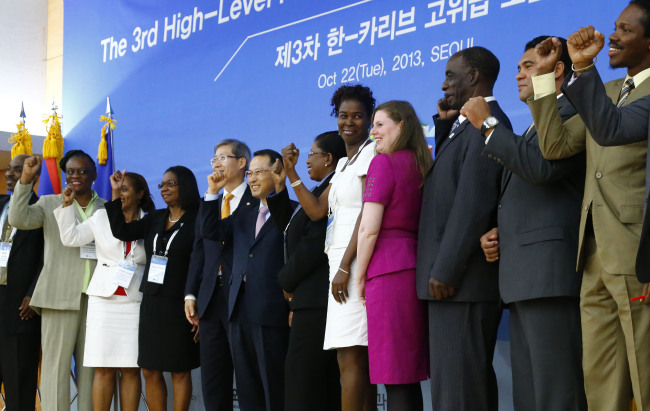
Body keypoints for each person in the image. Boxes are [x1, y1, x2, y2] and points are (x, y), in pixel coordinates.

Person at [528, 3, 650, 407]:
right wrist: (546, 78)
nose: (611, 36)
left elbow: (611, 128)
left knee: (645, 370)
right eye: (614, 26)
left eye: (625, 31)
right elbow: (556, 145)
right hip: (594, 250)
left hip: (636, 250)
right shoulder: (610, 91)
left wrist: (581, 70)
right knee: (600, 374)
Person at [460, 36, 587, 411]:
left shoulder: (574, 110)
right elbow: (530, 191)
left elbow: (541, 168)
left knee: (557, 392)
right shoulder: (534, 124)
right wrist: (499, 230)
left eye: (528, 66)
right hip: (524, 277)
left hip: (551, 276)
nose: (518, 76)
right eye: (517, 68)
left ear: (557, 69)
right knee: (531, 396)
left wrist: (488, 126)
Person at [416, 46, 511, 411]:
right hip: (453, 285)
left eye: (451, 76)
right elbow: (450, 183)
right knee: (460, 388)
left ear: (474, 76)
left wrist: (445, 269)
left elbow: (472, 203)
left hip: (459, 284)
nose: (443, 84)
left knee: (459, 393)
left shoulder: (489, 124)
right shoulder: (466, 125)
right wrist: (444, 127)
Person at [281, 84, 377, 411]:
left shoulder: (371, 155)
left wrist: (347, 266)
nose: (348, 122)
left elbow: (368, 214)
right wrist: (292, 172)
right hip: (338, 271)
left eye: (358, 116)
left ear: (369, 119)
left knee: (353, 358)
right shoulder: (342, 166)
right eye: (343, 115)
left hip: (354, 268)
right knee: (349, 360)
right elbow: (319, 211)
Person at [9, 151, 104, 411]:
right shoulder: (49, 202)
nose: (76, 176)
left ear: (94, 174)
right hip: (58, 297)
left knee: (91, 370)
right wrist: (26, 180)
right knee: (55, 369)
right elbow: (18, 219)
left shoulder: (107, 207)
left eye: (82, 171)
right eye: (71, 171)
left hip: (97, 299)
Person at [201, 149, 293, 411]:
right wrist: (212, 193)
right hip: (237, 309)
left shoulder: (290, 211)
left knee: (273, 385)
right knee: (247, 387)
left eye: (258, 172)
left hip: (272, 310)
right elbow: (211, 231)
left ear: (277, 173)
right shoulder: (245, 212)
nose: (251, 179)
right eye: (249, 173)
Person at [53, 172, 154, 411]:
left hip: (136, 300)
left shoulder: (152, 220)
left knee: (131, 367)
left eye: (126, 189)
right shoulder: (102, 216)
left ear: (140, 194)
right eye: (118, 189)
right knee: (103, 366)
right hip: (103, 301)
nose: (121, 194)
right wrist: (68, 207)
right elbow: (71, 237)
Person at [355, 101, 432, 411]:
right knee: (408, 373)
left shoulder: (382, 164)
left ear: (401, 126)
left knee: (394, 373)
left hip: (387, 271)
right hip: (414, 265)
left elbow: (368, 230)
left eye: (380, 124)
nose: (373, 131)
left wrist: (359, 275)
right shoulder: (424, 163)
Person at [105, 166, 200, 411]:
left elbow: (203, 263)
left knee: (180, 369)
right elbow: (122, 231)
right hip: (153, 303)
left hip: (182, 304)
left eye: (171, 184)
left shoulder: (199, 219)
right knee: (150, 368)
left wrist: (197, 301)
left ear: (186, 186)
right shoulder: (155, 218)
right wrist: (116, 193)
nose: (164, 189)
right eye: (162, 184)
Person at [267, 131, 345, 411]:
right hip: (310, 300)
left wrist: (284, 280)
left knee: (303, 382)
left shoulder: (334, 187)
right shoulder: (317, 190)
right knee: (314, 382)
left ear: (328, 158)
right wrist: (279, 189)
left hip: (317, 301)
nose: (307, 160)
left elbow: (314, 244)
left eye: (312, 154)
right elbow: (293, 229)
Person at [184, 139, 252, 411]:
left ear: (242, 162)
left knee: (248, 376)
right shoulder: (211, 201)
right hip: (211, 299)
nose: (217, 163)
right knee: (213, 379)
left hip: (245, 297)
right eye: (214, 159)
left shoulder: (258, 199)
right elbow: (199, 251)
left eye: (223, 157)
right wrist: (191, 292)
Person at [0, 154, 43, 410]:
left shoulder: (42, 208)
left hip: (21, 306)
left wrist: (34, 294)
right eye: (9, 170)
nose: (8, 175)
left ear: (32, 176)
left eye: (17, 170)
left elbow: (47, 258)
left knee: (18, 381)